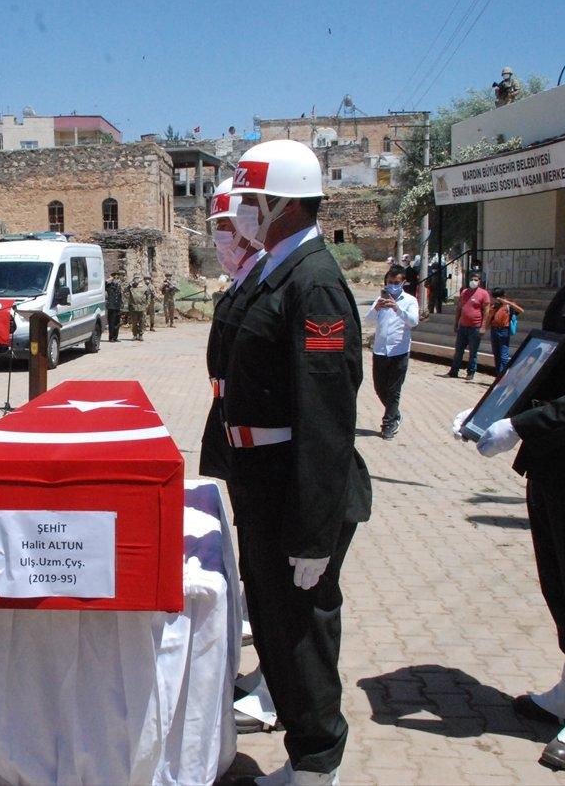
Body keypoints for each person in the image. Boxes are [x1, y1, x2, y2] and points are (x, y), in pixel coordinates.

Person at [458, 167, 565, 771]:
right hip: (559, 456)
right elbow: (549, 362)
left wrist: (522, 425)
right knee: (559, 574)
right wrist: (493, 410)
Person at [221, 139, 372, 785]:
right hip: (264, 483)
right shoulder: (273, 267)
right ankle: (303, 757)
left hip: (295, 490)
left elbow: (327, 417)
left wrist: (313, 530)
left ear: (282, 202)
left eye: (251, 200)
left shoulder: (313, 281)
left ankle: (318, 763)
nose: (244, 212)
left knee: (301, 633)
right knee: (278, 629)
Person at [200, 176, 280, 735]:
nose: (220, 242)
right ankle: (271, 675)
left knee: (278, 584)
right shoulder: (243, 281)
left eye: (225, 230)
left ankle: (279, 689)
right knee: (260, 569)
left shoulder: (268, 280)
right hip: (240, 435)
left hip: (269, 450)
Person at [366, 265, 419, 439]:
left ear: (403, 282)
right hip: (380, 351)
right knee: (380, 387)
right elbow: (367, 321)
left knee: (394, 389)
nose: (393, 285)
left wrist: (397, 308)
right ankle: (395, 413)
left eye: (397, 282)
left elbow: (413, 322)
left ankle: (388, 424)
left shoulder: (410, 301)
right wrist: (377, 309)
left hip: (399, 351)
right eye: (390, 282)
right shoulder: (379, 300)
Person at [446, 271, 490, 381]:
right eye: (472, 279)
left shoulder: (484, 294)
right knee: (459, 350)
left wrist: (483, 326)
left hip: (475, 327)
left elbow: (486, 311)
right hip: (463, 326)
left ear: (479, 282)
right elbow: (459, 308)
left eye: (476, 280)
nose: (473, 282)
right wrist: (456, 323)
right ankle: (454, 370)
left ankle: (471, 372)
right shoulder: (464, 292)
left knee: (473, 351)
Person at [484, 287, 524, 375]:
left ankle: (505, 374)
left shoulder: (508, 306)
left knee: (503, 356)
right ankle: (499, 374)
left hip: (504, 331)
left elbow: (521, 310)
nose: (496, 300)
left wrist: (507, 302)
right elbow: (488, 320)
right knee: (496, 354)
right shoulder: (494, 307)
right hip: (494, 330)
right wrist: (484, 328)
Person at [125, 275, 151, 341]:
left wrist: (147, 304)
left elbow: (148, 295)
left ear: (140, 280)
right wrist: (129, 285)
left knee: (142, 322)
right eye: (135, 279)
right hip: (133, 307)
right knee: (134, 322)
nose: (136, 280)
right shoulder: (131, 287)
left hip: (142, 307)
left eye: (137, 279)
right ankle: (134, 335)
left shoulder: (144, 287)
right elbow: (125, 291)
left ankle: (141, 335)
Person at [104, 271, 123, 341]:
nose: (116, 279)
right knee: (111, 323)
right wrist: (108, 280)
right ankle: (111, 337)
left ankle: (115, 337)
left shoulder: (119, 286)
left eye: (117, 278)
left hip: (117, 306)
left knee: (117, 323)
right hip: (111, 307)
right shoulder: (109, 286)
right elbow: (103, 285)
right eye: (115, 277)